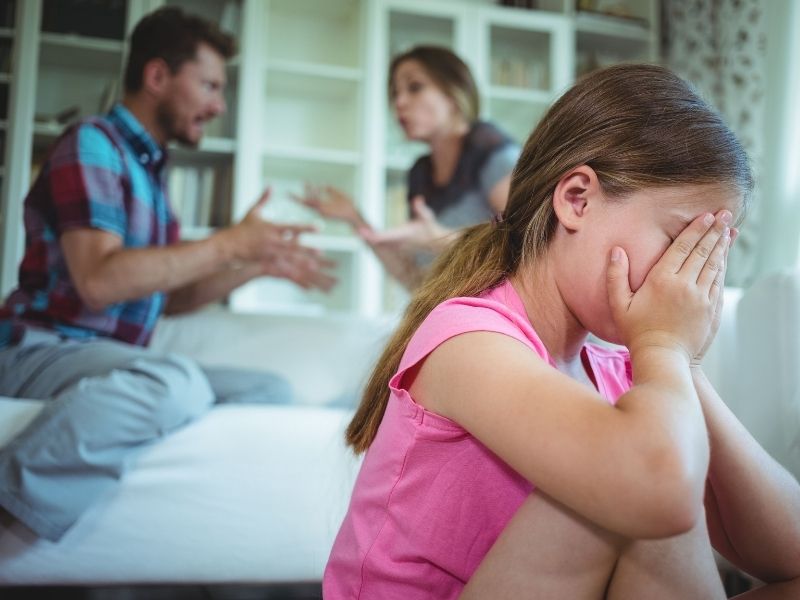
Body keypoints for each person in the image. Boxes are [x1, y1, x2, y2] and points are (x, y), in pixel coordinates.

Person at [323, 64, 800, 599]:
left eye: (708, 257)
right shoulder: (470, 340)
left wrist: (683, 362)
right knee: (643, 479)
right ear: (577, 199)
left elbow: (792, 550)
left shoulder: (621, 367)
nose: (685, 282)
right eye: (679, 243)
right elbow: (659, 489)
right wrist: (664, 345)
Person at [0, 7, 334, 542]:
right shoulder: (93, 143)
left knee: (266, 389)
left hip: (102, 357)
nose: (218, 105)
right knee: (171, 379)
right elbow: (100, 282)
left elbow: (166, 297)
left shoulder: (150, 175)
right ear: (157, 77)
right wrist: (230, 241)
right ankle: (9, 496)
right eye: (208, 85)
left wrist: (253, 265)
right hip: (37, 349)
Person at [294, 45, 520, 290]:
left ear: (454, 92)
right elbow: (415, 280)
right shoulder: (420, 173)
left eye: (415, 87)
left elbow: (523, 247)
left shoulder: (492, 150)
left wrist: (436, 239)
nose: (399, 103)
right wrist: (354, 218)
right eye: (395, 93)